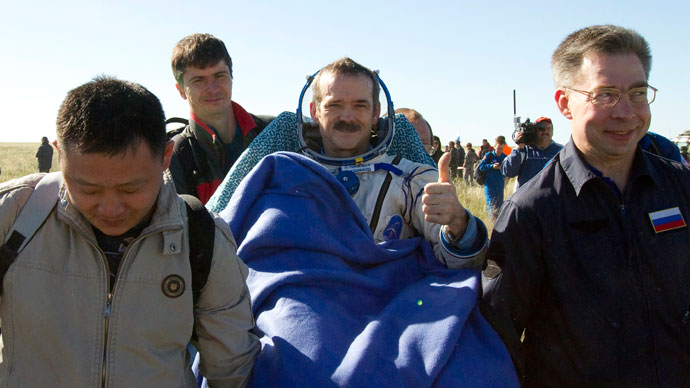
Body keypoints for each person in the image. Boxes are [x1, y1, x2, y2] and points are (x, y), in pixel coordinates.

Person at [194, 57, 517, 387]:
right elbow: (228, 233)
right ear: (315, 109)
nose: (347, 117)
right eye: (335, 105)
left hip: (389, 311)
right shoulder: (280, 173)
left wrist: (457, 223)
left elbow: (459, 262)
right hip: (302, 305)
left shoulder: (411, 177)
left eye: (360, 105)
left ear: (376, 112)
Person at [0, 77, 259, 387]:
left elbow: (232, 369)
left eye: (131, 188)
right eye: (87, 188)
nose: (110, 209)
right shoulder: (13, 215)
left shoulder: (201, 234)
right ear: (60, 154)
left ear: (165, 157)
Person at [481, 25, 690, 387]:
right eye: (605, 94)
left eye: (637, 93)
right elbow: (497, 337)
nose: (625, 112)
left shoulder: (681, 187)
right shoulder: (532, 211)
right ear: (565, 103)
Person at [168, 33, 273, 204]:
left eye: (219, 76)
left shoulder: (271, 131)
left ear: (231, 76)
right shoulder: (176, 158)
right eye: (198, 80)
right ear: (180, 90)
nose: (212, 88)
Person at [502, 116, 563, 189]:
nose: (545, 131)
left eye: (548, 128)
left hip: (552, 198)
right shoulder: (524, 150)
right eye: (541, 128)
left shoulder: (561, 151)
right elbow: (508, 172)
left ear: (552, 131)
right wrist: (519, 148)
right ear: (535, 131)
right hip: (526, 198)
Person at [478, 136, 507, 219]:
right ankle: (492, 223)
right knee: (491, 205)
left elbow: (509, 171)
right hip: (490, 185)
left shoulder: (505, 157)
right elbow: (481, 167)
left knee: (500, 206)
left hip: (500, 185)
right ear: (495, 146)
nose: (499, 150)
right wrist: (492, 166)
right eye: (498, 148)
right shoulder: (489, 155)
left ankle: (499, 222)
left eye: (501, 148)